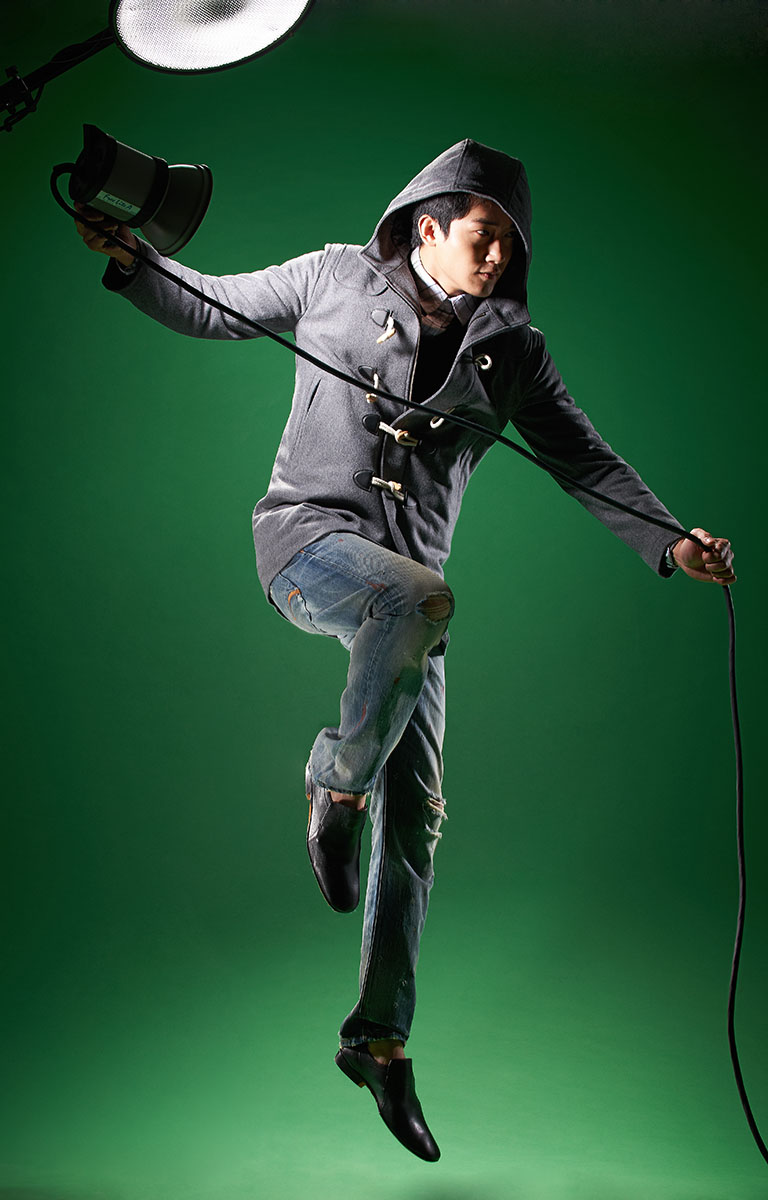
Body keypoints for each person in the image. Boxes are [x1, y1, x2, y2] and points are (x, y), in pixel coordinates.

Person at [75, 139, 735, 1162]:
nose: (500, 256)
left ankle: (378, 1041)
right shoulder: (333, 275)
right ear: (429, 224)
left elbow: (584, 460)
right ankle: (332, 784)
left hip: (413, 606)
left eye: (512, 244)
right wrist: (134, 260)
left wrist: (670, 541)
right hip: (309, 547)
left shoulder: (513, 351)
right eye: (484, 235)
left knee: (419, 816)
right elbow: (215, 304)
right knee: (420, 602)